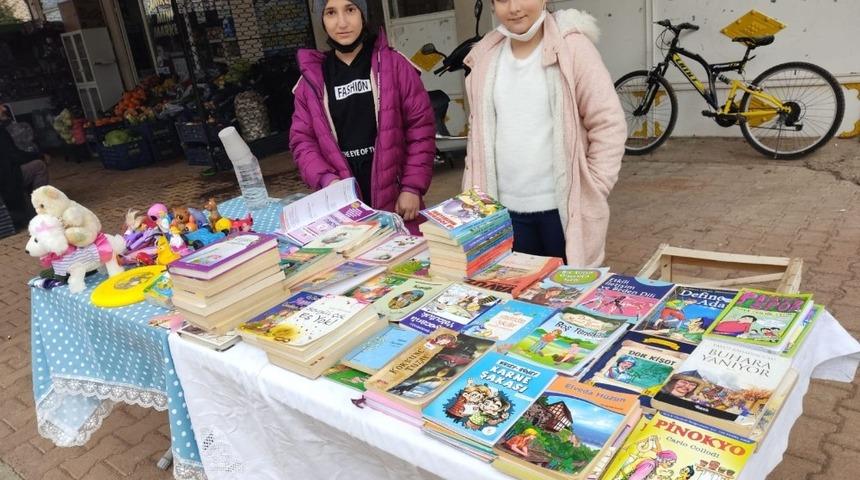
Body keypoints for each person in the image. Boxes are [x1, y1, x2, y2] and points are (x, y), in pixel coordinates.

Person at [461, 1, 626, 266]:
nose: (514, 8)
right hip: (503, 212)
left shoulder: (572, 47)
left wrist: (595, 185)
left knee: (568, 298)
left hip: (561, 213)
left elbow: (608, 122)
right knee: (517, 302)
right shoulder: (486, 57)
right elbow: (477, 135)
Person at [290, 0, 435, 234]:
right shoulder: (311, 80)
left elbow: (420, 129)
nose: (342, 22)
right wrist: (327, 181)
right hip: (343, 205)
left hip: (396, 198)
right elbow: (302, 141)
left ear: (363, 14)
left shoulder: (394, 65)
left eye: (350, 9)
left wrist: (412, 187)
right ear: (322, 20)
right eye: (331, 13)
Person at [0, 104, 50, 227]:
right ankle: (40, 207)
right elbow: (13, 156)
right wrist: (39, 156)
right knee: (39, 166)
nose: (4, 109)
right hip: (6, 178)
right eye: (0, 106)